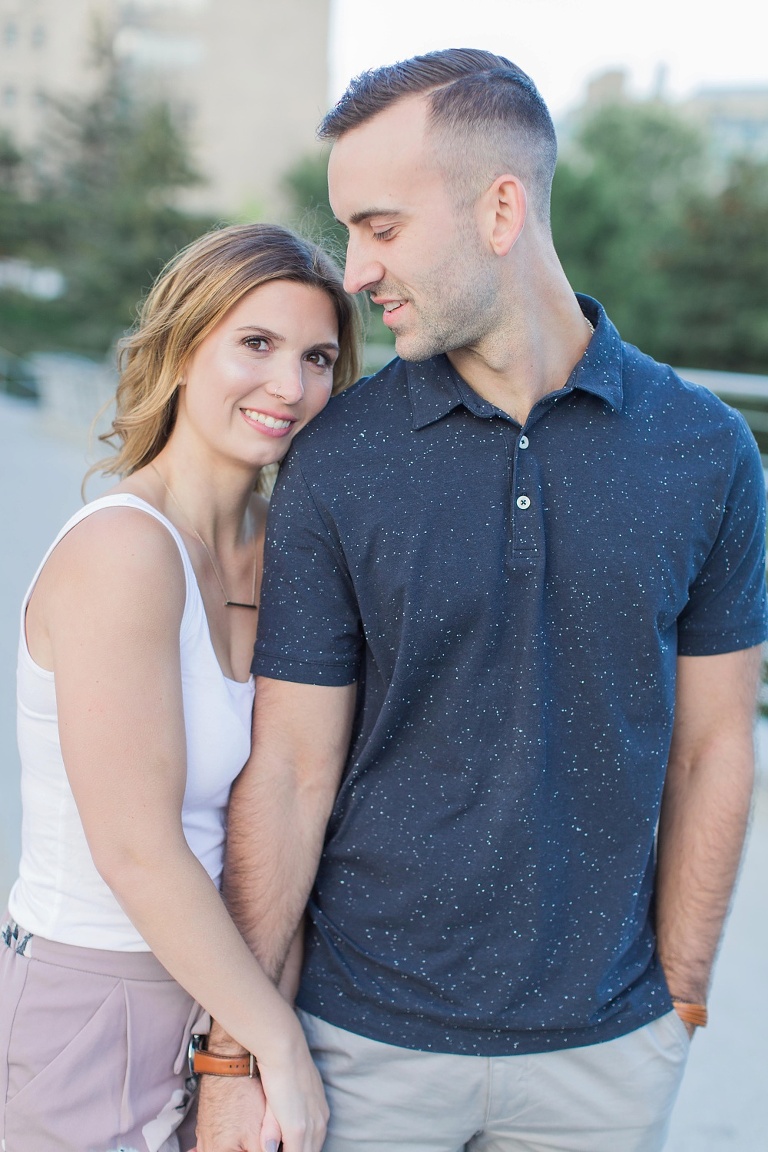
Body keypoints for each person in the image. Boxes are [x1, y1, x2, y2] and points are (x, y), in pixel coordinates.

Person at [198, 51, 768, 1152]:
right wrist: (234, 1048)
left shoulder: (706, 451)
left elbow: (716, 748)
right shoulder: (338, 457)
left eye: (382, 227)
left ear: (501, 207)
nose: (355, 271)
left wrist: (680, 1002)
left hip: (604, 1061)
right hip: (356, 1049)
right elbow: (289, 770)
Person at [0, 222, 361, 1152]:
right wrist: (273, 1046)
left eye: (317, 357)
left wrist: (255, 1026)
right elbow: (137, 850)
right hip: (97, 997)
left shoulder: (297, 551)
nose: (290, 385)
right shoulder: (122, 550)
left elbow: (301, 800)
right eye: (257, 344)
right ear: (182, 347)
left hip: (241, 984)